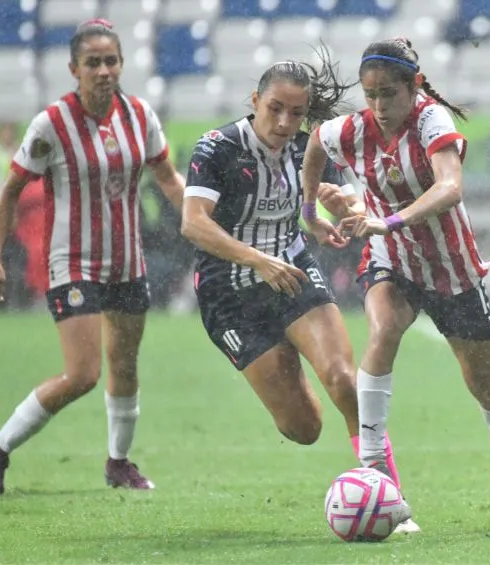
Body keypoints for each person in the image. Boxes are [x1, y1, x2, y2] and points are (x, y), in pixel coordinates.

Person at [301, 37, 490, 530]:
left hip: (452, 270)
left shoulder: (430, 121)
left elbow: (450, 187)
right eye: (370, 94)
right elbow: (314, 143)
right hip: (390, 261)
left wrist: (386, 221)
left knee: (485, 385)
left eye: (389, 94)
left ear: (414, 87)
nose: (378, 105)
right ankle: (374, 468)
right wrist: (310, 210)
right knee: (385, 328)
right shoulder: (353, 130)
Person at [180, 52, 419, 534]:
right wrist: (255, 259)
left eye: (296, 113)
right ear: (255, 101)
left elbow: (342, 195)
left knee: (343, 379)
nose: (285, 122)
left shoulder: (306, 148)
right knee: (304, 428)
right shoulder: (218, 148)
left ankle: (388, 496)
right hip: (232, 297)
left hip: (292, 274)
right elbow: (192, 223)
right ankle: (283, 353)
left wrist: (337, 205)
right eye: (275, 109)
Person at [0, 18, 185, 494]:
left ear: (122, 64)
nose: (104, 70)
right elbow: (11, 190)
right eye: (93, 63)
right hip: (74, 263)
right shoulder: (52, 123)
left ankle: (118, 463)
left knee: (124, 365)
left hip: (128, 261)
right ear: (74, 69)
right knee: (84, 374)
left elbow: (167, 178)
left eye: (111, 60)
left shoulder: (140, 116)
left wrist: (203, 220)